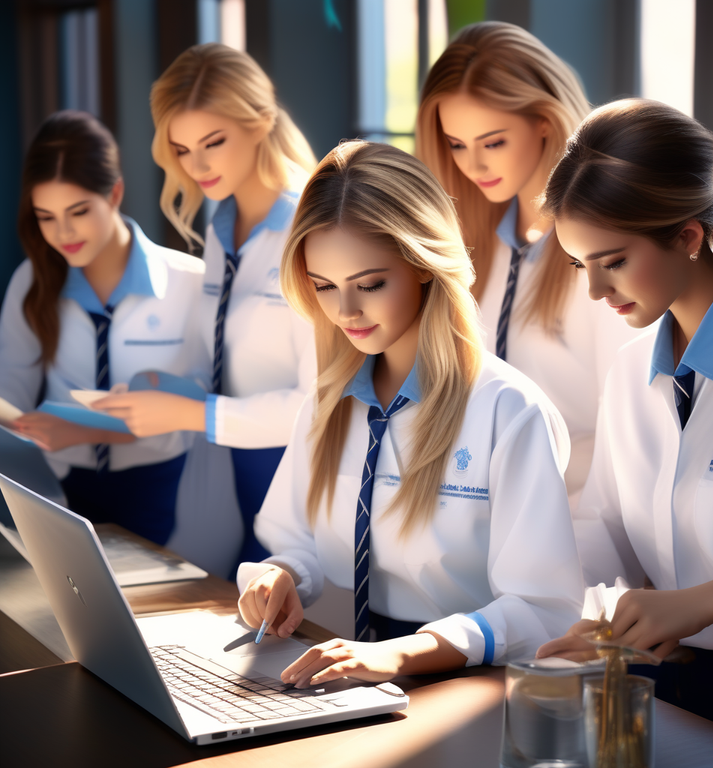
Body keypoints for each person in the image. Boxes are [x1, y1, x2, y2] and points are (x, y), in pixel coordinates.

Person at [236, 140, 583, 686]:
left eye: (370, 284)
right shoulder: (326, 404)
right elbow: (296, 541)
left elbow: (543, 609)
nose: (345, 311)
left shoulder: (507, 410)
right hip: (340, 680)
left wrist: (406, 654)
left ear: (424, 265)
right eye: (324, 287)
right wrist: (279, 577)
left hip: (465, 687)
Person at [535, 98, 713, 742]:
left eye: (612, 261)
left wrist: (705, 603)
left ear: (688, 238)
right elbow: (608, 528)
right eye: (580, 264)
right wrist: (607, 617)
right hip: (668, 686)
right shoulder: (632, 368)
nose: (593, 291)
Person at [94, 44, 317, 569]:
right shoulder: (222, 224)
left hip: (297, 483)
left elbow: (320, 408)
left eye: (213, 142)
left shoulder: (314, 227)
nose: (197, 166)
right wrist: (170, 388)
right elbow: (226, 360)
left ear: (261, 121)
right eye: (182, 149)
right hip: (229, 475)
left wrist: (194, 412)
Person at [416, 21, 637, 505]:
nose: (472, 166)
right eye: (457, 145)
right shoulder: (472, 244)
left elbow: (630, 426)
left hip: (579, 522)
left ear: (544, 121)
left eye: (493, 142)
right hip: (479, 518)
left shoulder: (606, 253)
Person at [0, 110, 207, 545]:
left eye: (78, 211)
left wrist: (84, 429)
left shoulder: (190, 282)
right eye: (46, 216)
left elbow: (201, 402)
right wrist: (20, 426)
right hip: (57, 489)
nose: (64, 232)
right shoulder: (32, 281)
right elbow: (12, 387)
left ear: (114, 193)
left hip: (162, 487)